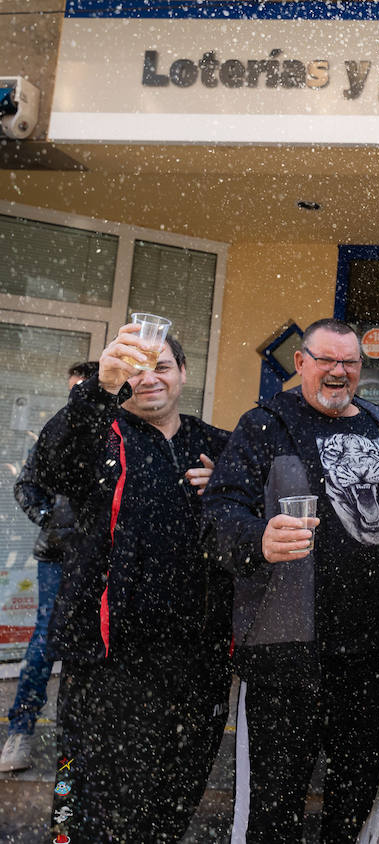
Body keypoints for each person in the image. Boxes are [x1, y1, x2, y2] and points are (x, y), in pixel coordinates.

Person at [205, 318, 379, 843]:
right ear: (301, 363)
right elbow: (218, 514)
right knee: (275, 807)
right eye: (326, 360)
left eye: (350, 363)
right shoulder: (263, 425)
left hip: (373, 654)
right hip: (288, 656)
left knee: (355, 799)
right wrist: (258, 539)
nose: (339, 372)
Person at [39, 326, 232, 842]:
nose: (150, 379)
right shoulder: (97, 434)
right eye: (137, 369)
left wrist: (226, 494)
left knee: (173, 798)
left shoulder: (215, 444)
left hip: (196, 660)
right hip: (107, 661)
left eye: (163, 366)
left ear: (184, 374)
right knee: (82, 803)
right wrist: (98, 390)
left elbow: (254, 523)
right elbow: (49, 467)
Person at [0, 360, 98, 773]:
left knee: (101, 647)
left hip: (107, 557)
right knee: (45, 641)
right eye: (71, 389)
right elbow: (26, 484)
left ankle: (87, 739)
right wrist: (52, 518)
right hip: (59, 556)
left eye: (83, 390)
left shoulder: (116, 434)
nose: (74, 398)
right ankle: (20, 730)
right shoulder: (55, 434)